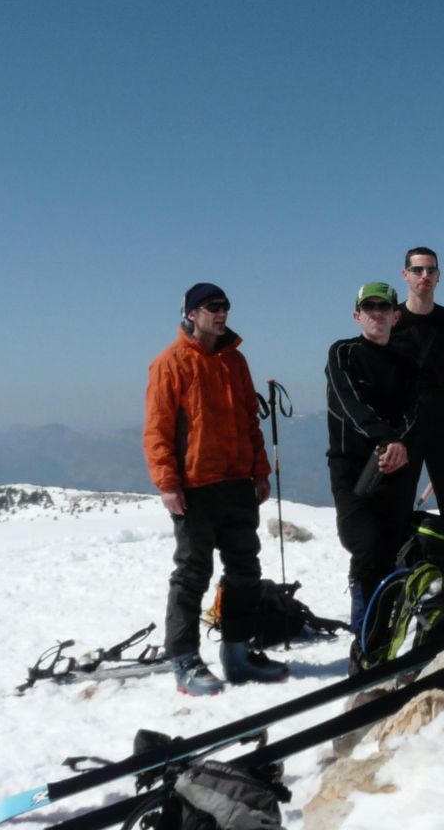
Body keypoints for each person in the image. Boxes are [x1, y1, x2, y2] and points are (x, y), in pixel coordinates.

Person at [144, 282, 289, 695]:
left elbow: (249, 420)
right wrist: (168, 483)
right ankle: (185, 661)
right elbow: (156, 430)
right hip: (195, 487)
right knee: (192, 574)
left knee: (245, 568)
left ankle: (238, 654)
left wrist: (260, 472)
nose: (222, 312)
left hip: (237, 483)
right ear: (191, 313)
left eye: (225, 306)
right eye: (212, 307)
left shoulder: (235, 361)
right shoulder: (169, 363)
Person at [325, 280, 421, 664]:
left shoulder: (405, 361)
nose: (377, 315)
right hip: (352, 468)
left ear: (396, 316)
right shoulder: (342, 353)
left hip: (396, 466)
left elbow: (415, 412)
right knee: (363, 544)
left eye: (384, 308)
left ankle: (385, 637)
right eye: (370, 308)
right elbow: (350, 402)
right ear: (357, 315)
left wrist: (401, 446)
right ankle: (364, 643)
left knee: (391, 550)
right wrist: (387, 440)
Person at [389, 246, 444, 599]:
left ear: (439, 275)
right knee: (397, 507)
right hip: (404, 427)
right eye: (417, 270)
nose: (424, 276)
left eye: (430, 270)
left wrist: (432, 403)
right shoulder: (392, 318)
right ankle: (402, 582)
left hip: (443, 423)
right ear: (405, 274)